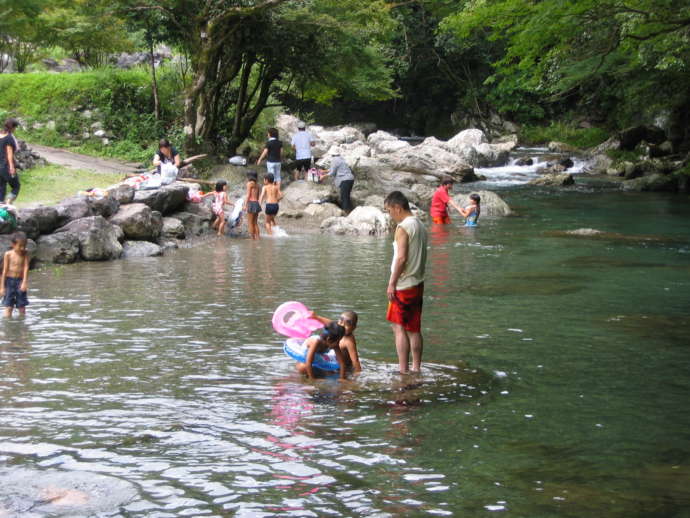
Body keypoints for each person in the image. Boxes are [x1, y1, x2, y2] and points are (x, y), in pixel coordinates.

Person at [384, 191, 428, 374]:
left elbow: (401, 258)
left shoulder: (403, 227)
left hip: (403, 284)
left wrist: (392, 283)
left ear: (397, 207)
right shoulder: (420, 224)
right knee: (414, 328)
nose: (389, 214)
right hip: (418, 282)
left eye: (389, 210)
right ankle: (416, 367)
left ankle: (403, 370)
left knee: (399, 327)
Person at [1, 231, 30, 317]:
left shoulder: (25, 253)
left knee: (22, 306)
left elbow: (26, 267)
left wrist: (24, 282)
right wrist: (2, 287)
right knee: (8, 306)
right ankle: (8, 325)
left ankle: (22, 324)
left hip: (20, 281)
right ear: (13, 244)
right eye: (20, 246)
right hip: (9, 281)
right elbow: (4, 271)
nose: (22, 248)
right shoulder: (8, 254)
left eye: (24, 246)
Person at [0, 118, 20, 204]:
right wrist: (11, 167)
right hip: (6, 167)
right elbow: (9, 154)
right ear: (12, 127)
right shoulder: (9, 138)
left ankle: (1, 205)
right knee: (16, 186)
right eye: (15, 128)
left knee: (1, 187)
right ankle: (8, 202)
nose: (15, 130)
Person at [243, 171, 261, 239]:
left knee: (250, 223)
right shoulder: (257, 184)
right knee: (255, 223)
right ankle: (258, 238)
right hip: (256, 203)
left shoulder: (249, 183)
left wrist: (245, 205)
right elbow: (258, 197)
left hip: (251, 203)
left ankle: (252, 239)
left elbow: (248, 195)